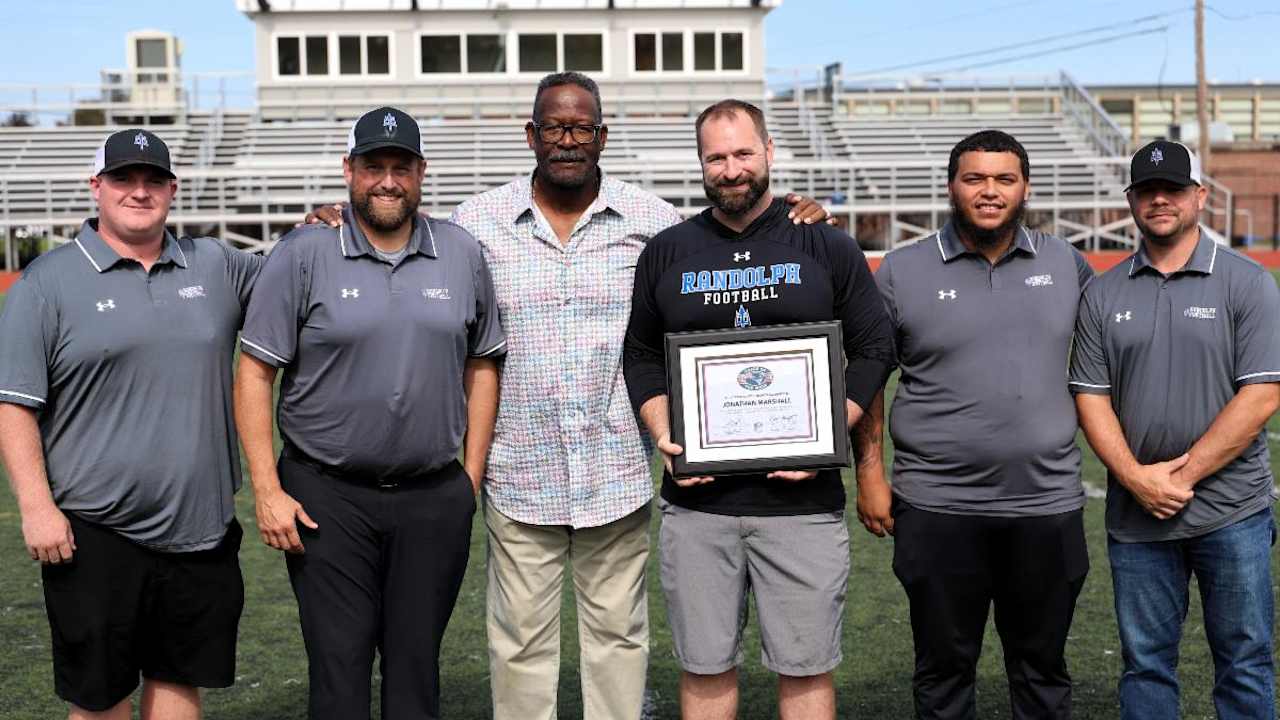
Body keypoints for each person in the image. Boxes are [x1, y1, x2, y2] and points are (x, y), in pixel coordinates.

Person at [302, 72, 832, 720]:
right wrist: (335, 217)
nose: (568, 139)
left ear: (602, 136)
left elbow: (728, 233)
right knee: (521, 647)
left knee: (618, 643)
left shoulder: (654, 224)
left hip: (615, 473)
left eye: (582, 127)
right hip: (519, 473)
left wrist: (798, 214)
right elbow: (400, 233)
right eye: (554, 126)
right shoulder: (477, 225)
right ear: (531, 134)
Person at [622, 99, 895, 720]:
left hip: (802, 507)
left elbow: (876, 348)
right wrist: (666, 433)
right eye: (716, 157)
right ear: (701, 165)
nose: (731, 169)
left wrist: (824, 434)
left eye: (743, 153)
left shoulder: (825, 245)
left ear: (769, 152)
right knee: (705, 666)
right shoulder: (668, 251)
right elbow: (640, 355)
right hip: (698, 506)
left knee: (805, 669)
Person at [234, 106, 505, 720]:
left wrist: (471, 478)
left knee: (415, 672)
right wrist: (267, 489)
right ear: (349, 170)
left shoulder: (461, 252)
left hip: (432, 494)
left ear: (421, 172)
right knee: (339, 670)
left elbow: (483, 363)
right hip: (326, 495)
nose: (387, 180)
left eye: (400, 168)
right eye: (373, 166)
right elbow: (254, 373)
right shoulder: (304, 252)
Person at [0, 129, 261, 720]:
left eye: (153, 180)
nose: (138, 192)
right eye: (123, 179)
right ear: (97, 187)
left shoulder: (216, 264)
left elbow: (300, 279)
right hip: (93, 531)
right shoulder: (45, 284)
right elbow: (14, 404)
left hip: (201, 528)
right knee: (100, 699)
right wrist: (37, 508)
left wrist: (321, 222)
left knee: (179, 682)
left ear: (172, 189)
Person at [856, 129, 1095, 720]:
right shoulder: (901, 270)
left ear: (1025, 188)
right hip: (936, 506)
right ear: (951, 186)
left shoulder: (1068, 265)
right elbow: (868, 379)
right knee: (942, 674)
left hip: (1045, 505)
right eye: (975, 179)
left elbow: (1108, 369)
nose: (990, 192)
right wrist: (870, 476)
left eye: (1004, 180)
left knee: (1041, 673)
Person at [1069, 139, 1280, 720]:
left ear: (1200, 197)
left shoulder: (1247, 282)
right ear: (1132, 201)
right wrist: (1137, 480)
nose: (1160, 200)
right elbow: (1091, 395)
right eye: (1146, 191)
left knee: (1244, 659)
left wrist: (1177, 478)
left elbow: (1261, 395)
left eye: (1174, 189)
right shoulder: (1102, 292)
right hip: (1137, 517)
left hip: (1231, 511)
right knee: (1146, 663)